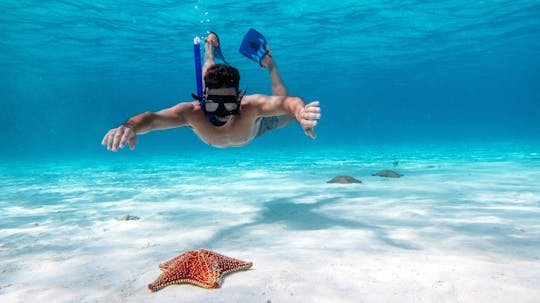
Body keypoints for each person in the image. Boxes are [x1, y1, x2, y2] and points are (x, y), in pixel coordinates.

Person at [101, 32, 321, 151]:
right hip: (212, 108)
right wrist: (129, 126)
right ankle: (209, 48)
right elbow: (152, 119)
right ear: (203, 99)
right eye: (214, 104)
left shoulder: (250, 107)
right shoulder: (192, 112)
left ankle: (269, 64)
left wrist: (300, 113)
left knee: (286, 115)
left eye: (229, 104)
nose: (222, 112)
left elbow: (288, 102)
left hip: (257, 127)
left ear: (239, 99)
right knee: (209, 76)